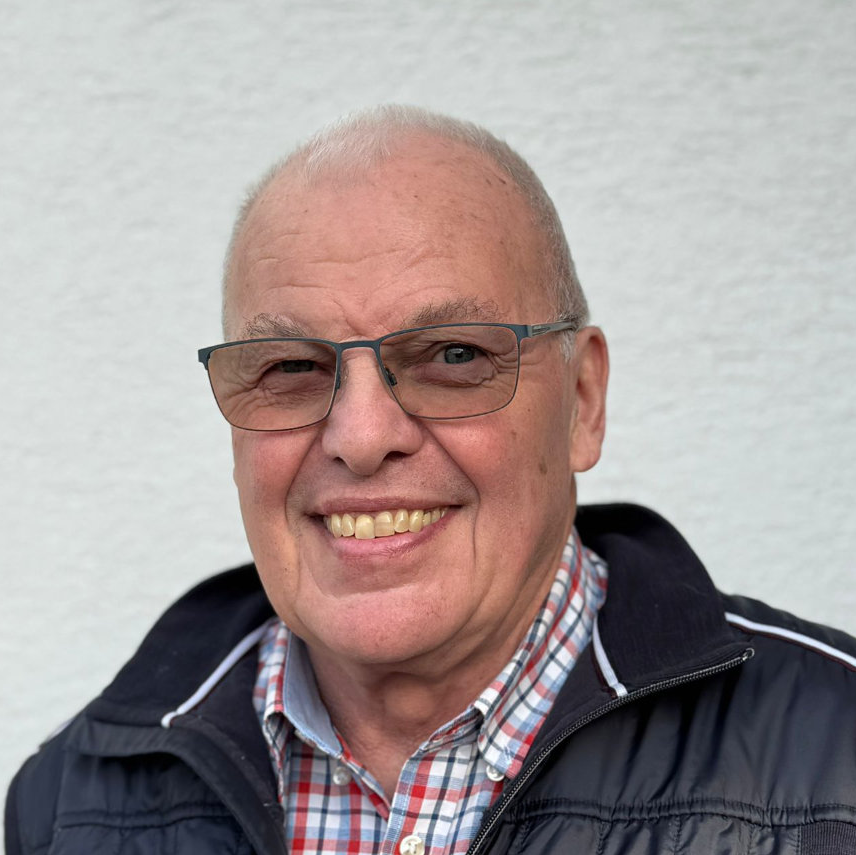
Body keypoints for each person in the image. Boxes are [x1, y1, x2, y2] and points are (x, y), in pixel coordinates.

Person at [6, 106, 856, 855]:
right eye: (291, 367)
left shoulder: (835, 760)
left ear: (582, 402)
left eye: (454, 355)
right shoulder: (66, 808)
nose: (362, 438)